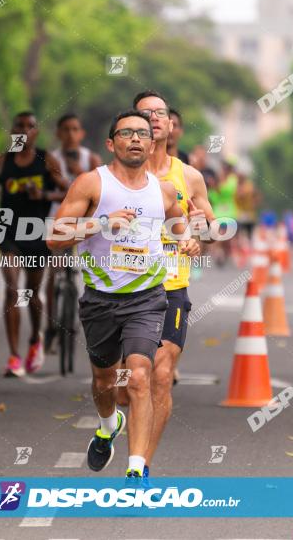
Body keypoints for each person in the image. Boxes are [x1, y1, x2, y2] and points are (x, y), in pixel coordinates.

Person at [47, 110, 188, 483]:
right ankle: (109, 424)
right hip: (100, 299)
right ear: (112, 143)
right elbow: (54, 237)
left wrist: (188, 238)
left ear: (152, 142)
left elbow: (180, 223)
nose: (137, 139)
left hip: (147, 297)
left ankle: (137, 470)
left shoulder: (164, 190)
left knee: (140, 376)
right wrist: (102, 224)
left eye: (143, 133)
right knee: (104, 382)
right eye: (127, 133)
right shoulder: (92, 184)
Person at [122, 90, 216, 487]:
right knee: (121, 383)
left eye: (161, 113)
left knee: (160, 374)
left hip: (172, 287)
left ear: (171, 126)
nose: (155, 119)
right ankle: (110, 423)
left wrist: (198, 235)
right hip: (123, 289)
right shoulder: (116, 175)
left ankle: (139, 465)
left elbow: (210, 229)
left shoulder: (189, 176)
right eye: (146, 114)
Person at [0, 111, 68, 377]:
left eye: (30, 126)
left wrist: (42, 194)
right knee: (11, 290)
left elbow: (66, 191)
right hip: (8, 232)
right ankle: (13, 356)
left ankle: (35, 339)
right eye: (19, 125)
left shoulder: (46, 160)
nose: (24, 130)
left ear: (36, 132)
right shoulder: (2, 162)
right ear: (12, 130)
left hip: (36, 234)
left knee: (31, 294)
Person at [44, 113, 101, 353]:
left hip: (86, 221)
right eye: (65, 129)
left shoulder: (92, 159)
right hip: (58, 218)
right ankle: (50, 325)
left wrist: (79, 173)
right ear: (58, 133)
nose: (70, 134)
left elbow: (101, 191)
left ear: (82, 133)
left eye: (75, 129)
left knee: (88, 267)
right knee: (54, 267)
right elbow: (53, 190)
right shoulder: (50, 159)